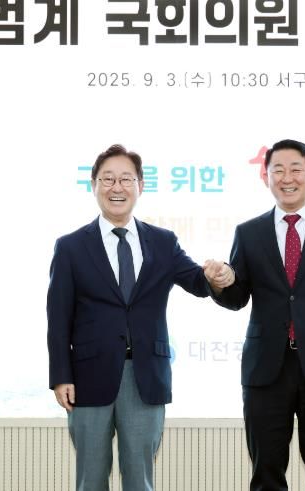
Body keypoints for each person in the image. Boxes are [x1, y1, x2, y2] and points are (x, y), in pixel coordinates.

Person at [47, 144, 233, 491]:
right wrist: (60, 376)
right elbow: (58, 318)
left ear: (140, 185)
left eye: (125, 179)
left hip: (145, 376)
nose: (116, 187)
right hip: (87, 378)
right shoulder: (70, 247)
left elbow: (197, 281)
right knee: (90, 480)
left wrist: (217, 276)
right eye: (108, 179)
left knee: (140, 480)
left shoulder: (162, 242)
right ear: (93, 184)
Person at [212, 139, 305, 491]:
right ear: (266, 177)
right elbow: (237, 297)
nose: (287, 178)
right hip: (266, 367)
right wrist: (221, 283)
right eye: (277, 170)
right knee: (266, 471)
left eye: (296, 169)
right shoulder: (249, 232)